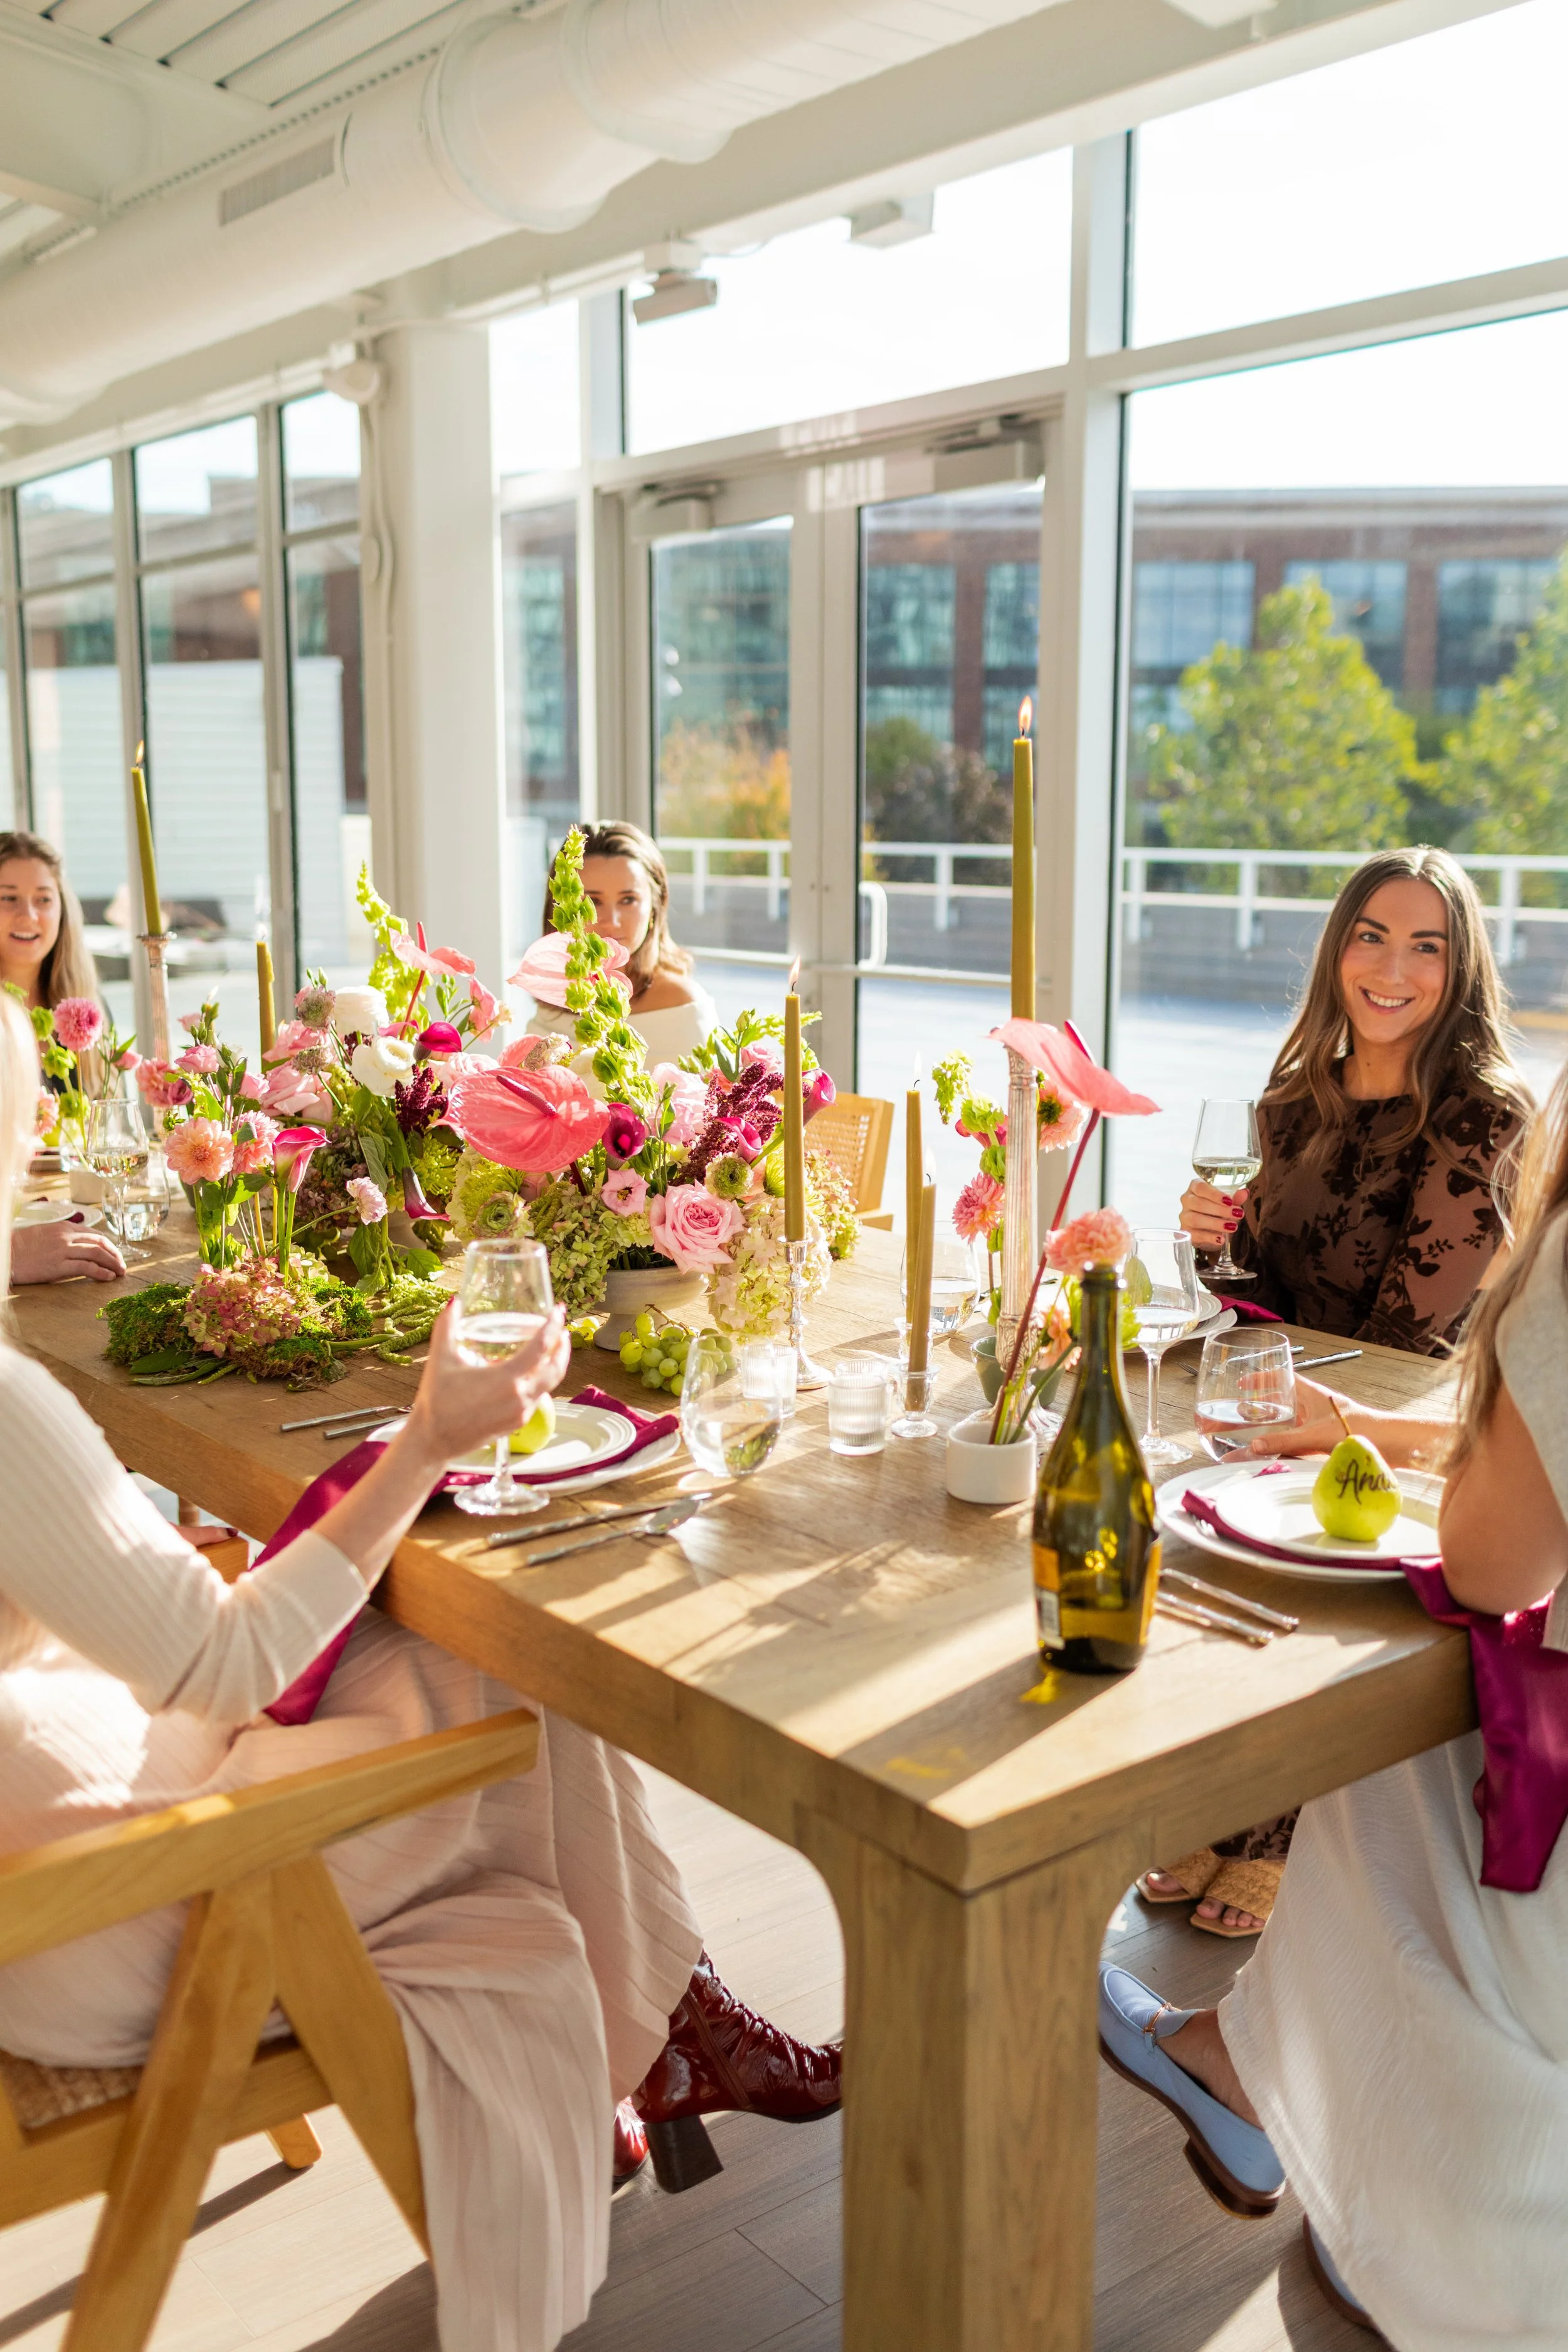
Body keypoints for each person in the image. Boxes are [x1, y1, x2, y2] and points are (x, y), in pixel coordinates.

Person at [0, 991, 838, 2351]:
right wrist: (427, 1439)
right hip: (103, 1919)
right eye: (24, 1107)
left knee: (426, 1635)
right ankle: (664, 2023)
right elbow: (224, 1665)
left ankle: (668, 2024)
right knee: (496, 1663)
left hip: (45, 1836)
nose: (37, 1126)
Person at [1101, 1054, 1568, 2346]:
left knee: (1389, 1742)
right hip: (1336, 1400)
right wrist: (1355, 1426)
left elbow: (1490, 1559)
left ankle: (1262, 2088)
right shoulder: (1301, 1106)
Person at [1149, 846, 1533, 1936]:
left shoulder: (1484, 1119)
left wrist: (1295, 1418)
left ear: (1459, 972)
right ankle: (1226, 1794)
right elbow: (1255, 1307)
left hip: (1414, 1438)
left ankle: (1274, 1825)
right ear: (1338, 952)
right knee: (1175, 1520)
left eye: (1428, 946)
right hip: (1295, 1407)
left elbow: (1410, 1342)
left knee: (1268, 1529)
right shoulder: (1289, 1103)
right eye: (1372, 936)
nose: (1393, 968)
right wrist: (1214, 1247)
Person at [1, 830, 125, 1285]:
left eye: (43, 899)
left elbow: (113, 1127)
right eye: (7, 897)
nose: (28, 915)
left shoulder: (87, 1008)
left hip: (73, 1223)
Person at [529, 822, 716, 1063]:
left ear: (654, 909)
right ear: (561, 910)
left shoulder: (682, 1006)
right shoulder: (553, 997)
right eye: (593, 902)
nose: (612, 921)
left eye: (628, 900)